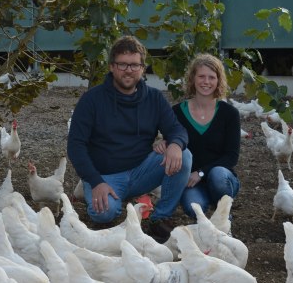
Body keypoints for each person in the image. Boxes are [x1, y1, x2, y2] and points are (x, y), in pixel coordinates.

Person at [67, 35, 191, 243]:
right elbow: (75, 146)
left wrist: (176, 144)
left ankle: (159, 218)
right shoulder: (92, 100)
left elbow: (176, 129)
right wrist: (95, 181)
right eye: (122, 64)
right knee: (103, 214)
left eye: (134, 65)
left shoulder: (154, 98)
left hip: (141, 170)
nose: (128, 70)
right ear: (112, 67)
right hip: (104, 176)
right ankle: (105, 195)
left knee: (184, 156)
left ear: (142, 68)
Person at [172, 53, 241, 219]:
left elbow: (231, 157)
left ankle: (224, 215)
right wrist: (164, 143)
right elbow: (171, 142)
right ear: (192, 79)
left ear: (218, 81)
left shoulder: (229, 113)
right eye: (201, 76)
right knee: (192, 207)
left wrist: (201, 172)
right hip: (191, 182)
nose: (206, 82)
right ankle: (206, 219)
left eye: (212, 77)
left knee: (217, 175)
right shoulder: (176, 112)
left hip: (221, 179)